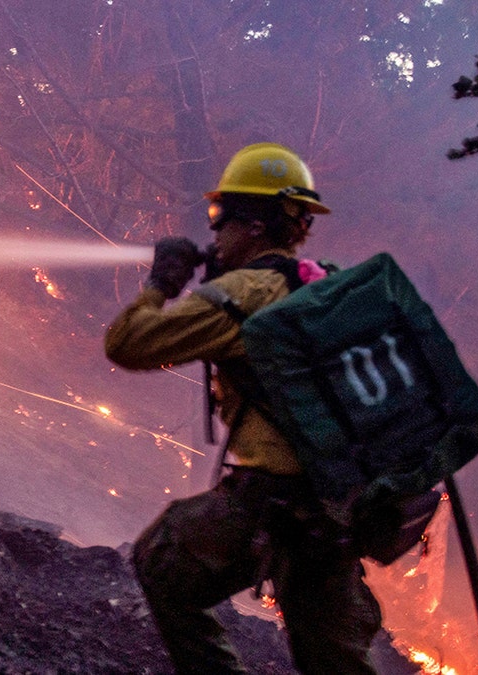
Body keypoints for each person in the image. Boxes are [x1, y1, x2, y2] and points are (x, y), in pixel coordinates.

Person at [104, 142, 381, 675]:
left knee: (161, 563)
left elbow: (128, 343)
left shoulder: (242, 294)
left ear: (253, 224)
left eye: (219, 217)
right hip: (340, 508)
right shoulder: (326, 284)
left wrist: (162, 283)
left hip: (273, 499)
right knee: (337, 663)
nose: (214, 233)